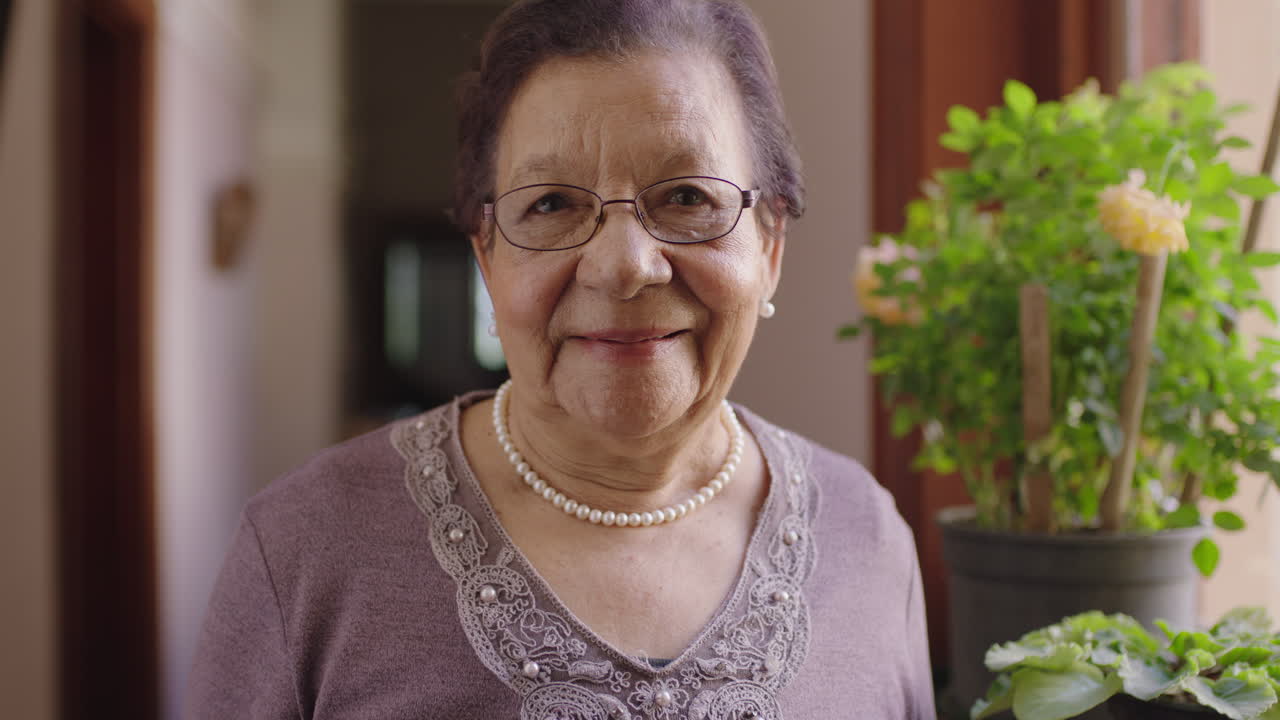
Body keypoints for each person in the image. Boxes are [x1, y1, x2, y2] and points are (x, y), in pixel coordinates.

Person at [185, 0, 934, 717]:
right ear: (487, 257)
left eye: (685, 196)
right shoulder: (304, 548)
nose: (624, 266)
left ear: (769, 247)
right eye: (551, 204)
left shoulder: (867, 538)